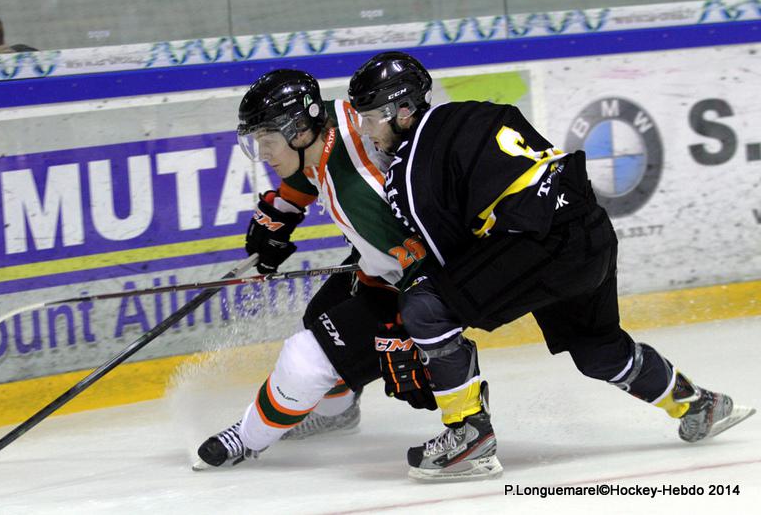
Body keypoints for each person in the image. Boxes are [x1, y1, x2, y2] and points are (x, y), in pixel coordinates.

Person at [347, 51, 756, 482]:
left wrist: (408, 316)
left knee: (426, 308)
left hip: (538, 245)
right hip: (588, 224)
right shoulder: (472, 113)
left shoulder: (408, 170)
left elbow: (445, 265)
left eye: (371, 118)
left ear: (404, 110)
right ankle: (698, 405)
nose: (366, 131)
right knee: (599, 350)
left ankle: (468, 435)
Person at [194, 69, 438, 469]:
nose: (265, 154)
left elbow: (431, 259)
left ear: (298, 132)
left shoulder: (360, 193)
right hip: (383, 264)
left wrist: (415, 329)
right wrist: (283, 210)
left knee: (307, 361)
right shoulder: (330, 121)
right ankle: (337, 414)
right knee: (320, 318)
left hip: (416, 278)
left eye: (268, 142)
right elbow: (308, 173)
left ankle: (248, 437)